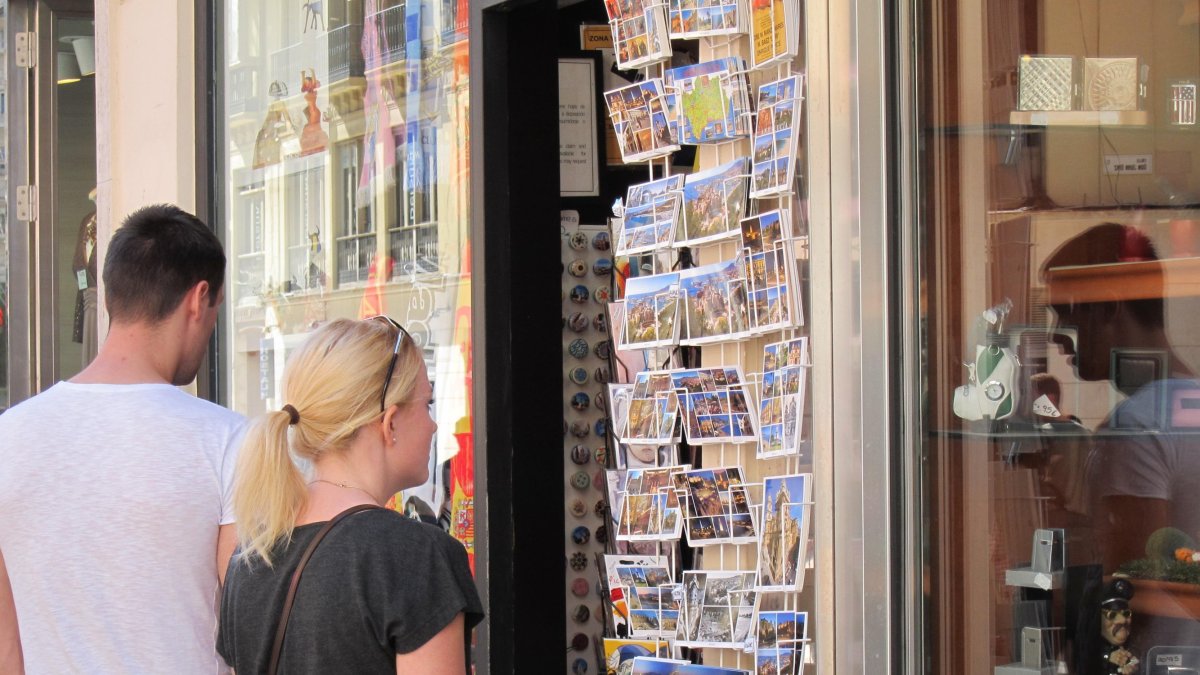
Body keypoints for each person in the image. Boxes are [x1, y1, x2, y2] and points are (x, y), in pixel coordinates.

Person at [0, 204, 246, 673]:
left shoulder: (7, 437)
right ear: (198, 300)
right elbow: (251, 629)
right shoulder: (229, 442)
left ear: (113, 295)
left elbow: (5, 644)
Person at [218, 317, 483, 674]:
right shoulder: (415, 557)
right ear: (390, 424)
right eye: (427, 404)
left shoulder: (251, 555)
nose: (434, 424)